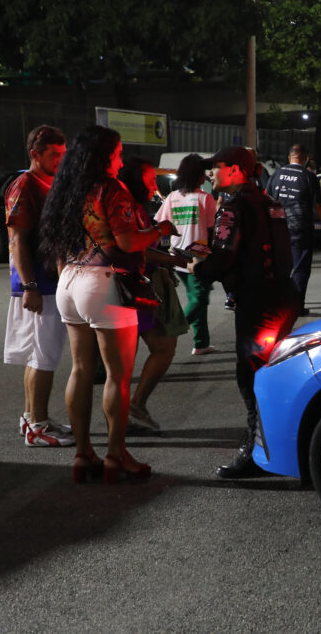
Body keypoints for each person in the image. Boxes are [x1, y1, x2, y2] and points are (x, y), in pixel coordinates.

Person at [40, 125, 176, 483]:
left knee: (81, 370)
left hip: (69, 281)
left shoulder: (65, 188)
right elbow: (128, 241)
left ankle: (84, 453)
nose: (119, 161)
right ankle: (117, 454)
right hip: (105, 283)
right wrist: (159, 231)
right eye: (115, 154)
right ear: (103, 156)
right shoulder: (110, 189)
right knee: (117, 375)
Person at [189, 146, 297, 478]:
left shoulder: (234, 207)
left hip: (258, 302)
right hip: (283, 296)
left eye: (217, 168)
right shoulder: (271, 202)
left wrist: (198, 266)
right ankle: (281, 445)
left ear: (236, 170)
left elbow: (223, 259)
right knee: (274, 372)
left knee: (252, 376)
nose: (212, 174)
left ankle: (256, 452)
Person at [4, 125, 73, 446]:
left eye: (62, 154)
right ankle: (38, 425)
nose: (60, 160)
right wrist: (29, 285)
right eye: (54, 155)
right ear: (35, 154)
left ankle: (33, 417)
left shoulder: (48, 183)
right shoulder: (25, 184)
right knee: (43, 356)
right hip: (38, 284)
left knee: (42, 354)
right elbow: (16, 239)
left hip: (48, 282)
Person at [117, 158, 189, 433]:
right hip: (132, 288)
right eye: (148, 181)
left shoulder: (136, 207)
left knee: (155, 349)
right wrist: (171, 254)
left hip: (140, 284)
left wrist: (172, 260)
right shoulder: (123, 208)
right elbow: (133, 249)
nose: (154, 186)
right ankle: (124, 418)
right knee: (142, 354)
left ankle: (129, 412)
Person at [156, 154, 218, 356]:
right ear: (197, 175)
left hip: (177, 255)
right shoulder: (205, 198)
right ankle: (170, 332)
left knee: (195, 296)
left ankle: (201, 343)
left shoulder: (173, 197)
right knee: (199, 299)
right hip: (197, 257)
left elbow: (161, 224)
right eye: (203, 173)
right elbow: (211, 228)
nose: (206, 176)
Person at [267, 144, 321, 316]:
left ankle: (277, 304)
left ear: (290, 158)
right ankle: (296, 306)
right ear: (305, 158)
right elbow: (318, 204)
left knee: (280, 267)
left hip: (278, 228)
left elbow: (267, 199)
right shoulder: (309, 176)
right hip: (300, 228)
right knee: (300, 267)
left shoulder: (277, 174)